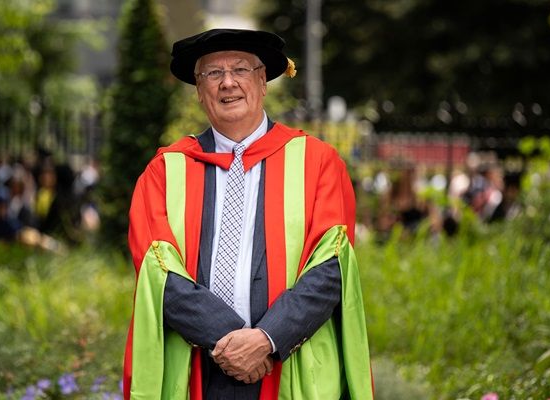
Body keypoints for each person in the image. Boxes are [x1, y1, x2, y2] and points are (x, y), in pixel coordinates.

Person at [123, 29, 374, 399]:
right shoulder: (165, 171)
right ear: (198, 88)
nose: (228, 83)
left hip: (289, 362)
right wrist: (229, 341)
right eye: (212, 73)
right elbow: (156, 268)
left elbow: (331, 266)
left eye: (240, 69)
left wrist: (267, 339)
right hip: (198, 368)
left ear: (263, 81)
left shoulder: (318, 163)